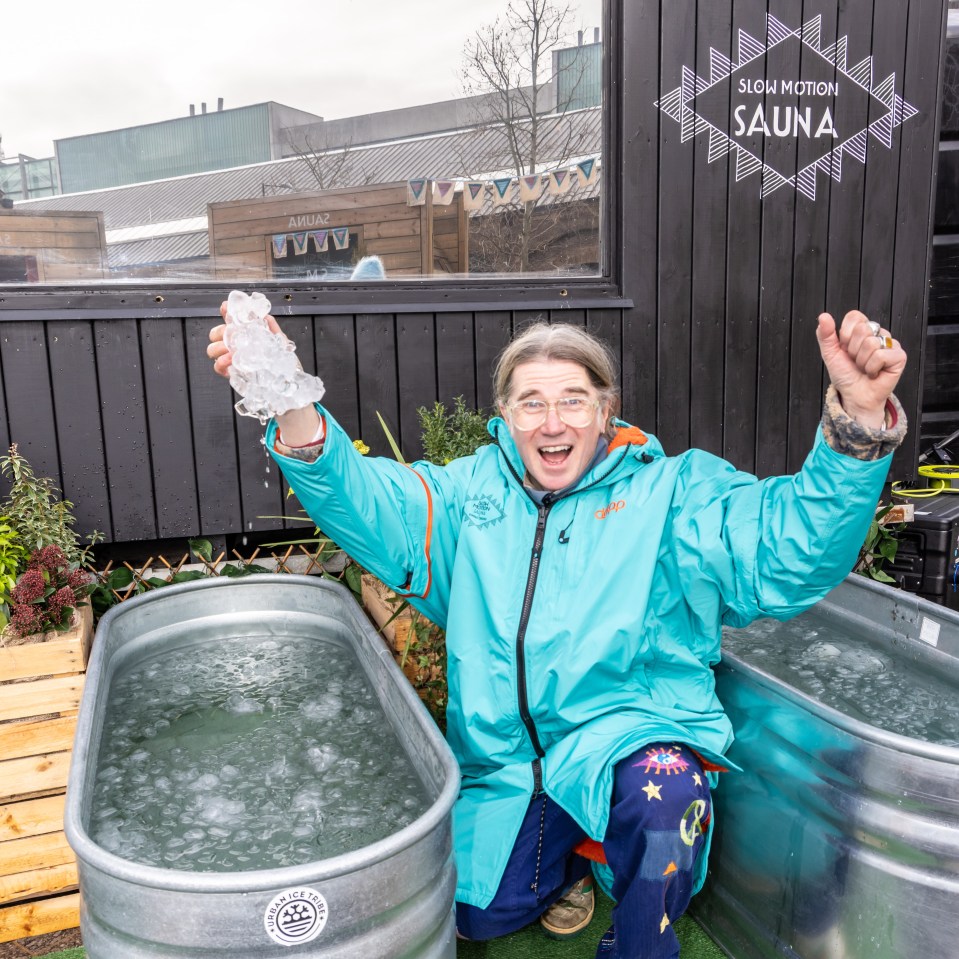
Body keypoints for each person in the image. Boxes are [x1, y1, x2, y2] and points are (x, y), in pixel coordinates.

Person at [208, 308, 906, 958]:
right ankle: (577, 857)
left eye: (573, 398)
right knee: (472, 915)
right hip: (508, 765)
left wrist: (859, 419)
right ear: (504, 415)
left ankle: (635, 917)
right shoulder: (464, 499)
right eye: (530, 401)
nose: (552, 422)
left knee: (663, 795)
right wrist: (287, 395)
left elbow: (789, 548)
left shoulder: (672, 495)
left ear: (605, 410)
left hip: (627, 741)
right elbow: (363, 499)